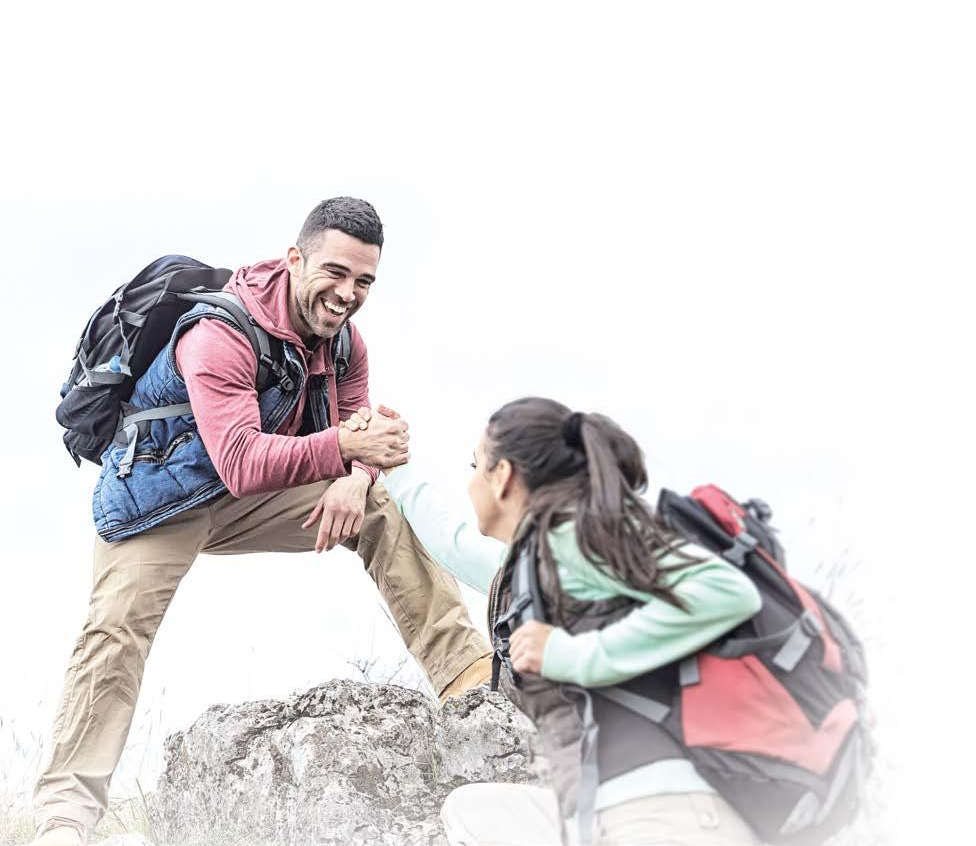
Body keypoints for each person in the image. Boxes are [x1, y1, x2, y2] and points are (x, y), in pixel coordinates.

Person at [32, 198, 492, 846]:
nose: (347, 294)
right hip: (158, 499)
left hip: (252, 495)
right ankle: (63, 819)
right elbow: (243, 460)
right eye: (335, 272)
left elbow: (357, 431)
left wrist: (356, 477)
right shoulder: (217, 333)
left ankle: (470, 683)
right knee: (115, 633)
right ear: (295, 258)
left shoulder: (345, 343)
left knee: (382, 508)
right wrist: (346, 449)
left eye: (364, 280)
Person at [346, 397, 765, 846]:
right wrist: (397, 468)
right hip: (614, 808)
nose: (470, 482)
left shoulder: (585, 540)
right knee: (471, 810)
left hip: (672, 813)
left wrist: (578, 655)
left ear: (503, 476)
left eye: (474, 466)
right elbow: (455, 545)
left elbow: (730, 591)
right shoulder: (541, 564)